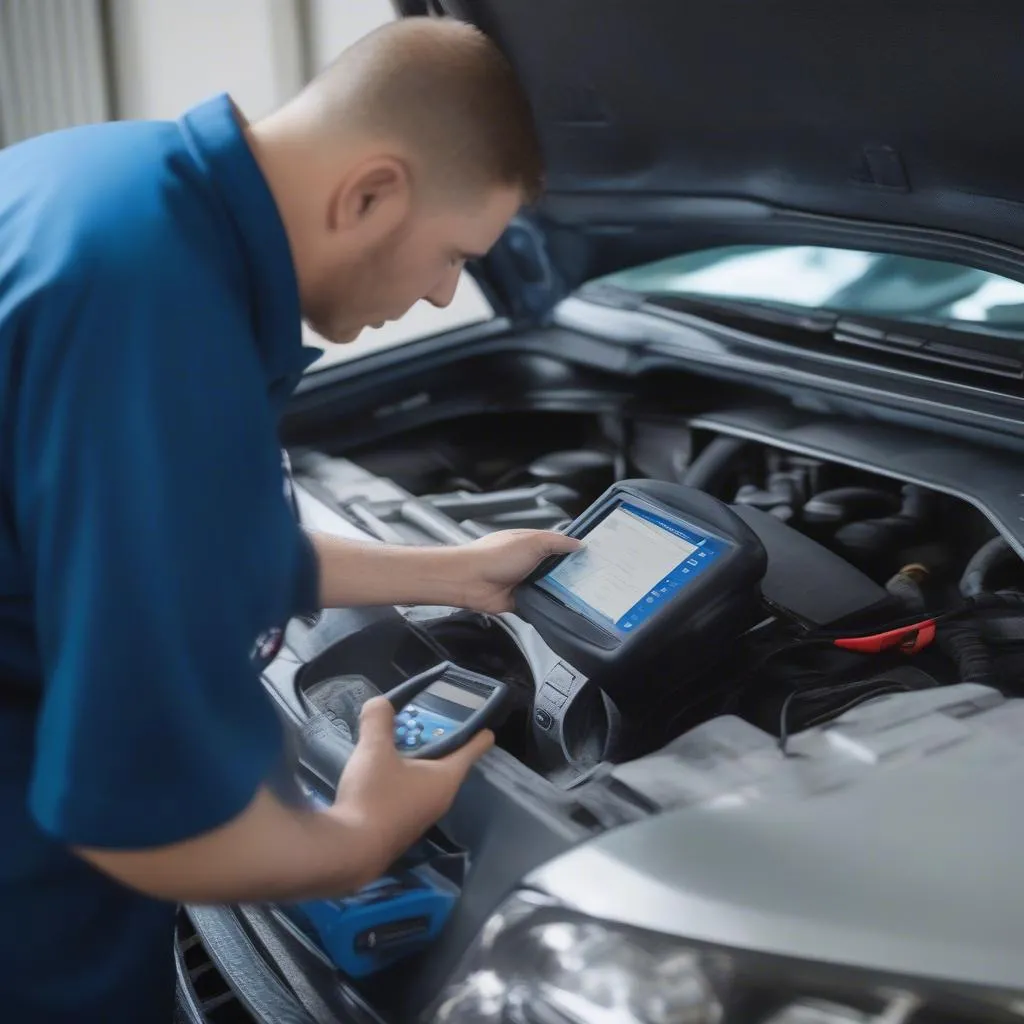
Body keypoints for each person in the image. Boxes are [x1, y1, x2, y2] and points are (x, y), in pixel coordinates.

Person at [0, 17, 580, 1023]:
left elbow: (178, 545)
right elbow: (128, 817)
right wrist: (359, 833)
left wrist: (454, 572)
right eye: (452, 254)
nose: (445, 290)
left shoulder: (116, 186)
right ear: (370, 192)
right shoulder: (157, 316)